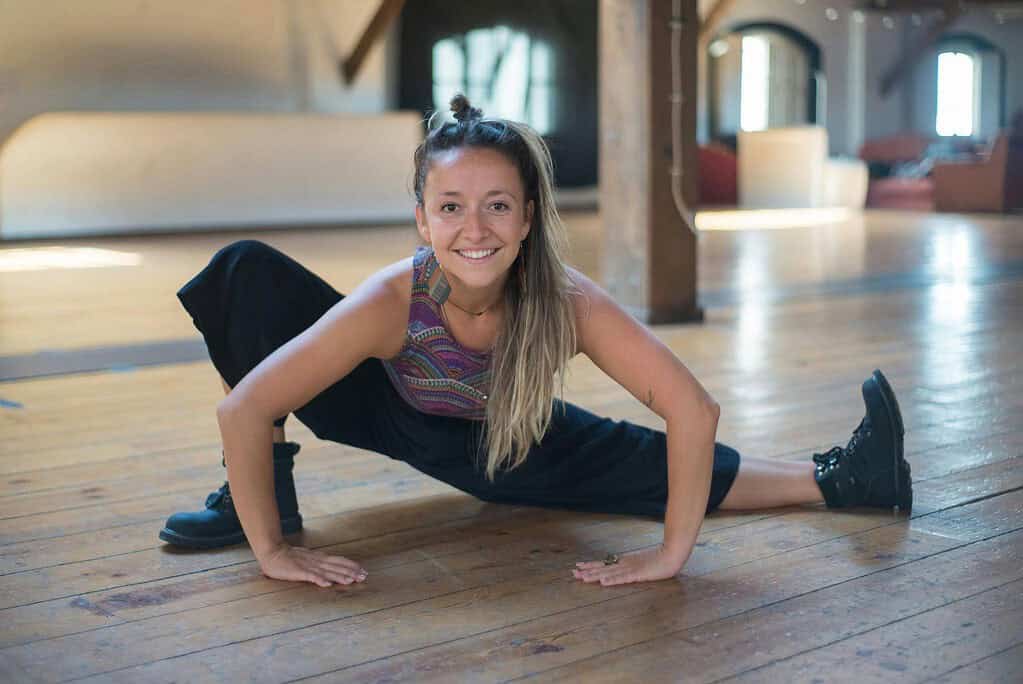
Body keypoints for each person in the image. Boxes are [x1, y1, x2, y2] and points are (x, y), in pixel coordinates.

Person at [160, 95, 911, 588]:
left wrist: (670, 555)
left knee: (634, 459)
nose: (474, 229)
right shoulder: (394, 299)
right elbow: (243, 411)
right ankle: (260, 497)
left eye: (496, 206)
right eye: (450, 207)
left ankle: (842, 479)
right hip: (378, 402)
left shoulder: (564, 301)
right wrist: (272, 553)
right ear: (422, 220)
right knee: (245, 271)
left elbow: (691, 411)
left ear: (526, 217)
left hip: (497, 438)